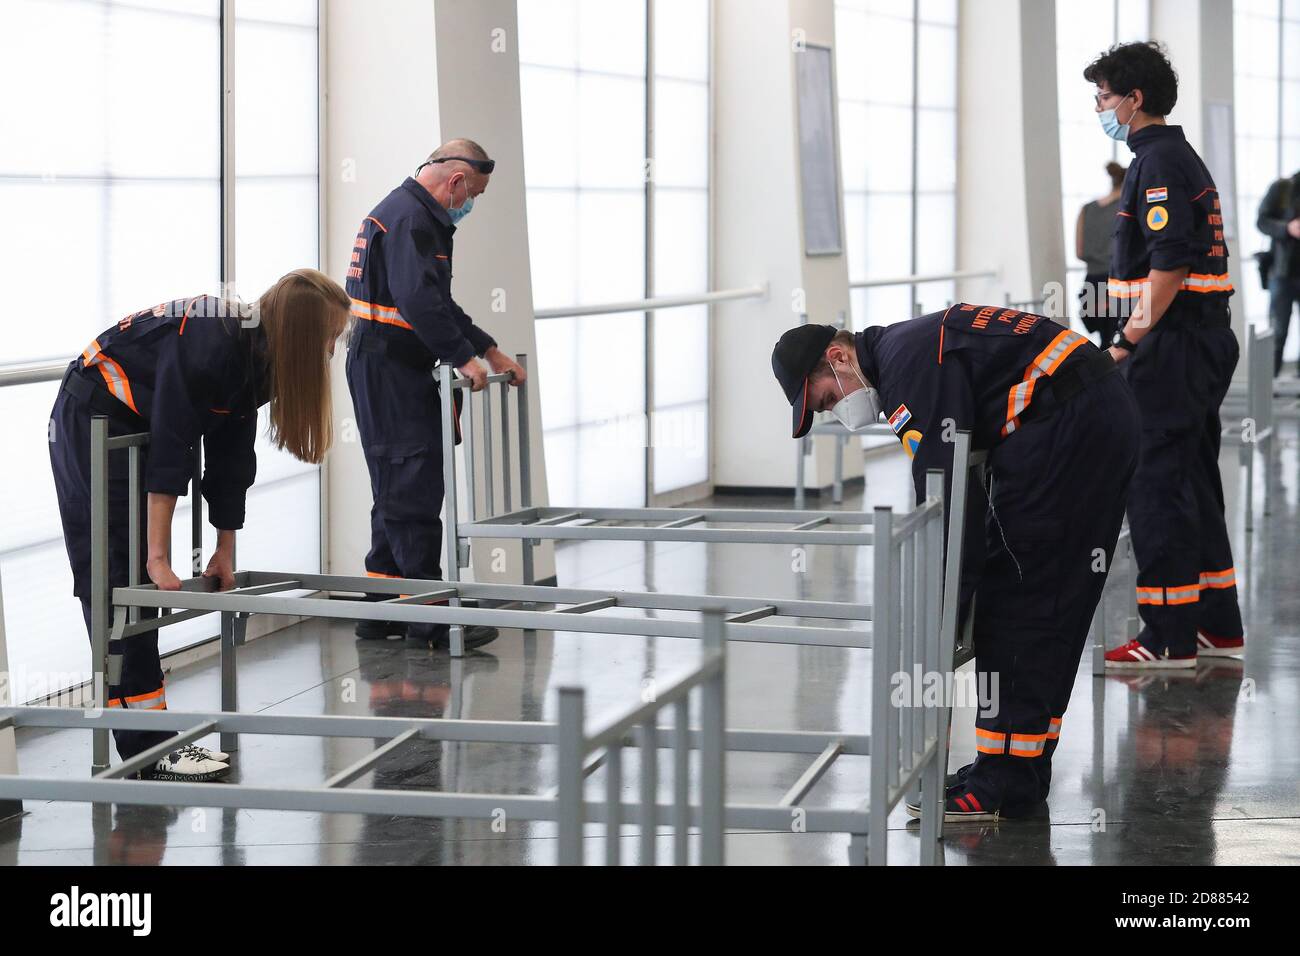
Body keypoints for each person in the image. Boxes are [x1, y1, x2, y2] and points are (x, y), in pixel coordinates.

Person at [772, 302, 1138, 821]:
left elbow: (945, 500)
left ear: (837, 357)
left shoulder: (909, 370)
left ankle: (1002, 780)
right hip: (1083, 416)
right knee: (1045, 598)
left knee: (1016, 598)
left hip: (1068, 425)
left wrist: (941, 614)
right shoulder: (906, 350)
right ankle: (1018, 767)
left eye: (827, 399)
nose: (837, 412)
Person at [49, 269, 349, 780]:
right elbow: (172, 447)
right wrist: (158, 557)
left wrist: (224, 548)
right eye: (329, 338)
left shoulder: (258, 354)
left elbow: (232, 459)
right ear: (301, 332)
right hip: (93, 414)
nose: (331, 350)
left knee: (136, 584)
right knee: (122, 582)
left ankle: (154, 743)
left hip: (137, 419)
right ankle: (151, 752)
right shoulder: (214, 344)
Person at [1083, 42, 1246, 669]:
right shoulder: (1174, 157)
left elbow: (1170, 265)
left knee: (1154, 483)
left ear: (1134, 99)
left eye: (1103, 97)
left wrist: (1126, 342)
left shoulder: (1157, 163)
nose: (1100, 108)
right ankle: (1215, 627)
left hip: (1172, 347)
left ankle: (1168, 636)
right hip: (1193, 342)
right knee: (1194, 480)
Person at [345, 139, 524, 650]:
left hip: (393, 363)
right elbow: (419, 303)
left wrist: (487, 350)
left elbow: (439, 304)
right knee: (412, 487)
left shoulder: (410, 214)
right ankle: (431, 617)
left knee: (397, 487)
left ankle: (381, 608)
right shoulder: (411, 220)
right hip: (388, 368)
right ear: (457, 182)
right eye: (475, 195)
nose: (471, 206)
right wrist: (461, 358)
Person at [1076, 161, 1126, 347]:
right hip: (1120, 281)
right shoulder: (1127, 209)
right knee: (1123, 343)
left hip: (1092, 281)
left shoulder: (1086, 209)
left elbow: (1079, 252)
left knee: (1105, 343)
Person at [1256, 168, 1300, 376]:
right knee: (1277, 332)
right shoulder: (1282, 188)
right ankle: (1268, 385)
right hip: (1283, 273)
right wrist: (1287, 228)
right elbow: (1261, 222)